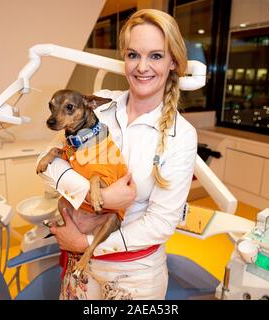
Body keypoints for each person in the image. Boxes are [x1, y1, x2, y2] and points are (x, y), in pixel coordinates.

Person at [38, 8, 197, 300]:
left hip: (134, 277)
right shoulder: (99, 108)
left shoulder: (181, 136)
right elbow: (46, 165)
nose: (142, 67)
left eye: (156, 56)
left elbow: (161, 224)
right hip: (79, 269)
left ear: (173, 61)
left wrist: (86, 242)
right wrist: (89, 194)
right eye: (133, 55)